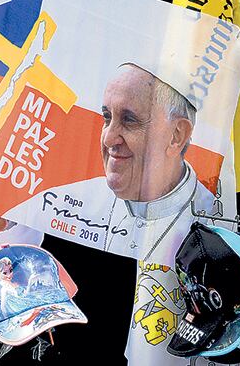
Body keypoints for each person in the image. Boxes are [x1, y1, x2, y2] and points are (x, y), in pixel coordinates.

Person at [100, 63, 221, 366]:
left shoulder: (219, 221)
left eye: (129, 120)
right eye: (106, 118)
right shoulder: (73, 205)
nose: (109, 137)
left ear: (176, 135)